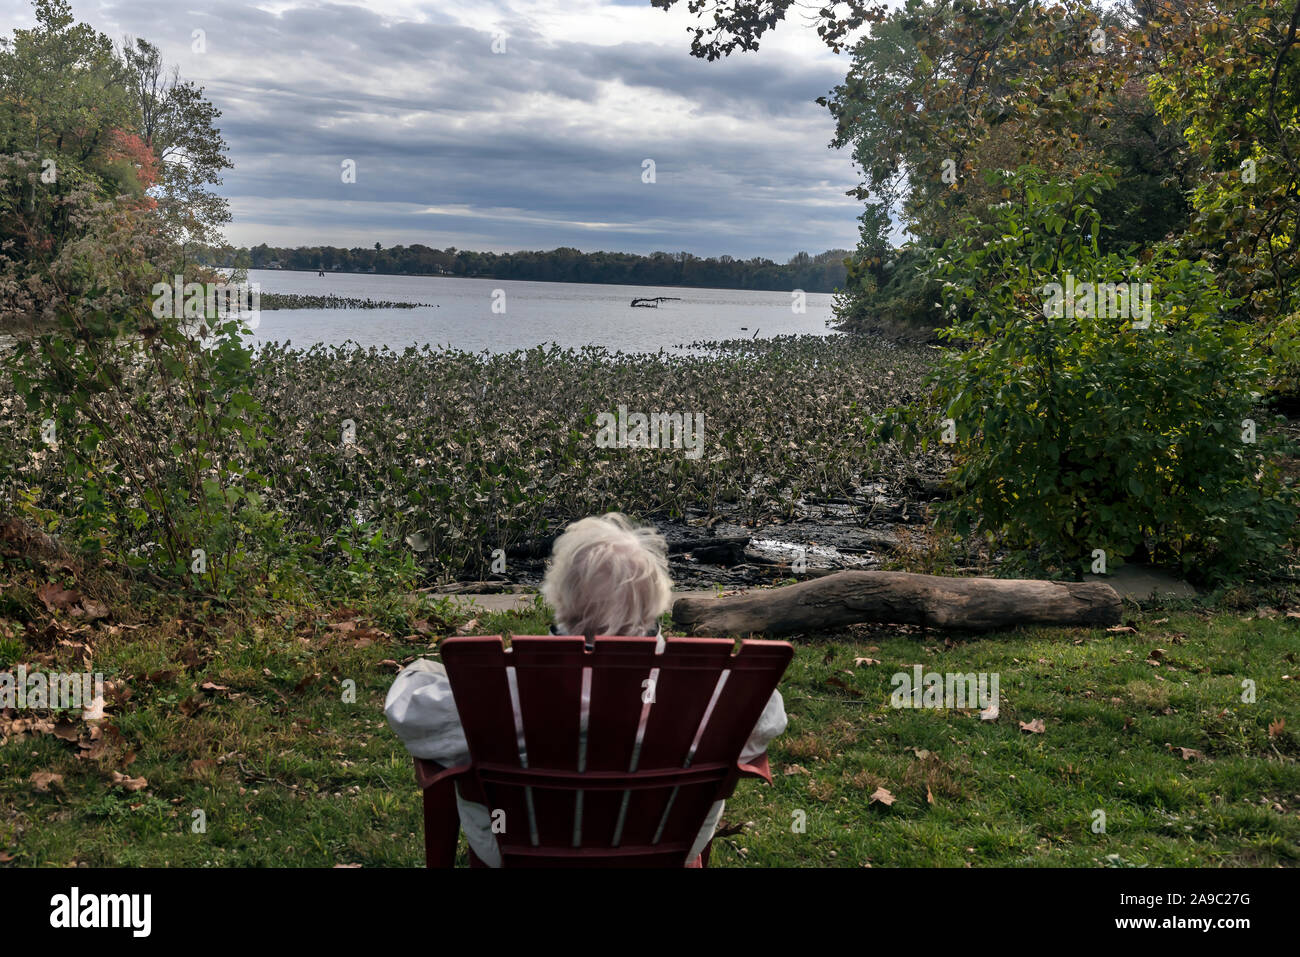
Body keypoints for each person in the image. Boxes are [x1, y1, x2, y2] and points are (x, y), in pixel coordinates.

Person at [385, 512, 786, 866]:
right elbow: (766, 723)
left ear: (561, 599)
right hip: (664, 847)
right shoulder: (715, 695)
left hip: (517, 851)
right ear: (655, 603)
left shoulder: (494, 691)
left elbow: (411, 714)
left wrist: (418, 672)